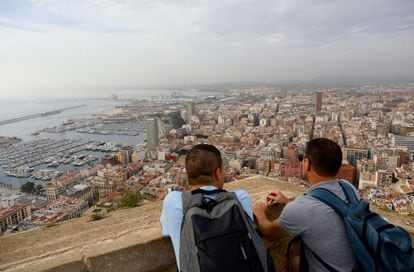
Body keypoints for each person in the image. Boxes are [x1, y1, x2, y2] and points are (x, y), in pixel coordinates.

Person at [254, 138, 358, 272]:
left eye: (303, 158)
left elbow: (269, 232)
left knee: (294, 258)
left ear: (307, 164)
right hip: (357, 266)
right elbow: (319, 211)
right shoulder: (348, 188)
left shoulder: (302, 208)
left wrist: (259, 210)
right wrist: (287, 202)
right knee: (297, 261)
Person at [160, 144, 253, 268]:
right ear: (218, 173)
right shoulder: (240, 198)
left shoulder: (174, 202)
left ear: (188, 176)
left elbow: (166, 227)